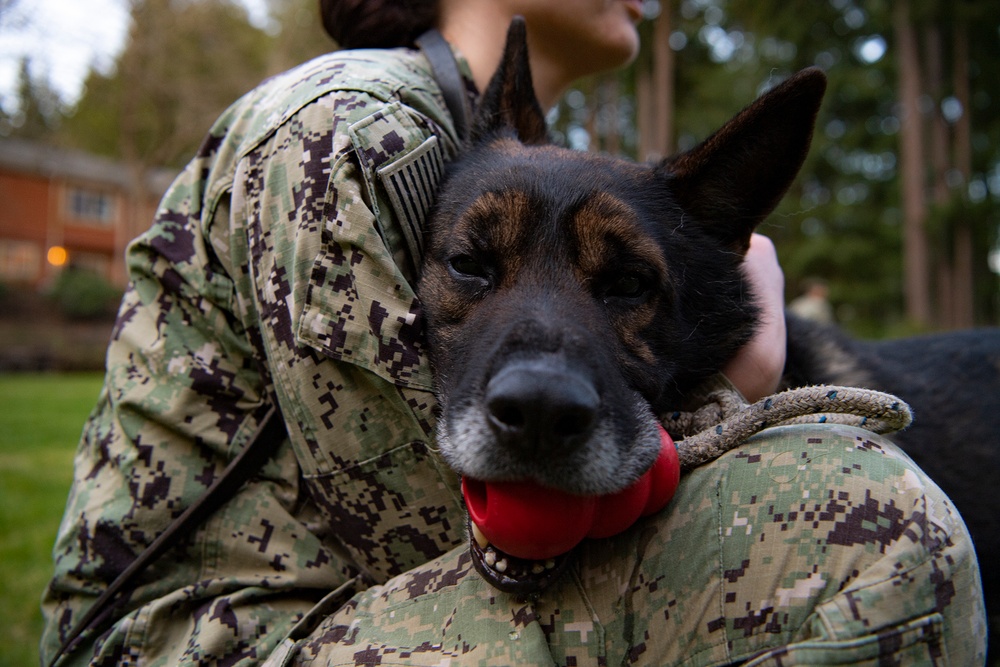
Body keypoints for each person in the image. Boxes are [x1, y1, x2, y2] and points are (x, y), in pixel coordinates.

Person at [41, 0, 986, 665]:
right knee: (854, 526)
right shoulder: (355, 122)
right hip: (196, 638)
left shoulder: (479, 146)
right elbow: (459, 539)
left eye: (621, 284)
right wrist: (750, 372)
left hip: (323, 600)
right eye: (474, 267)